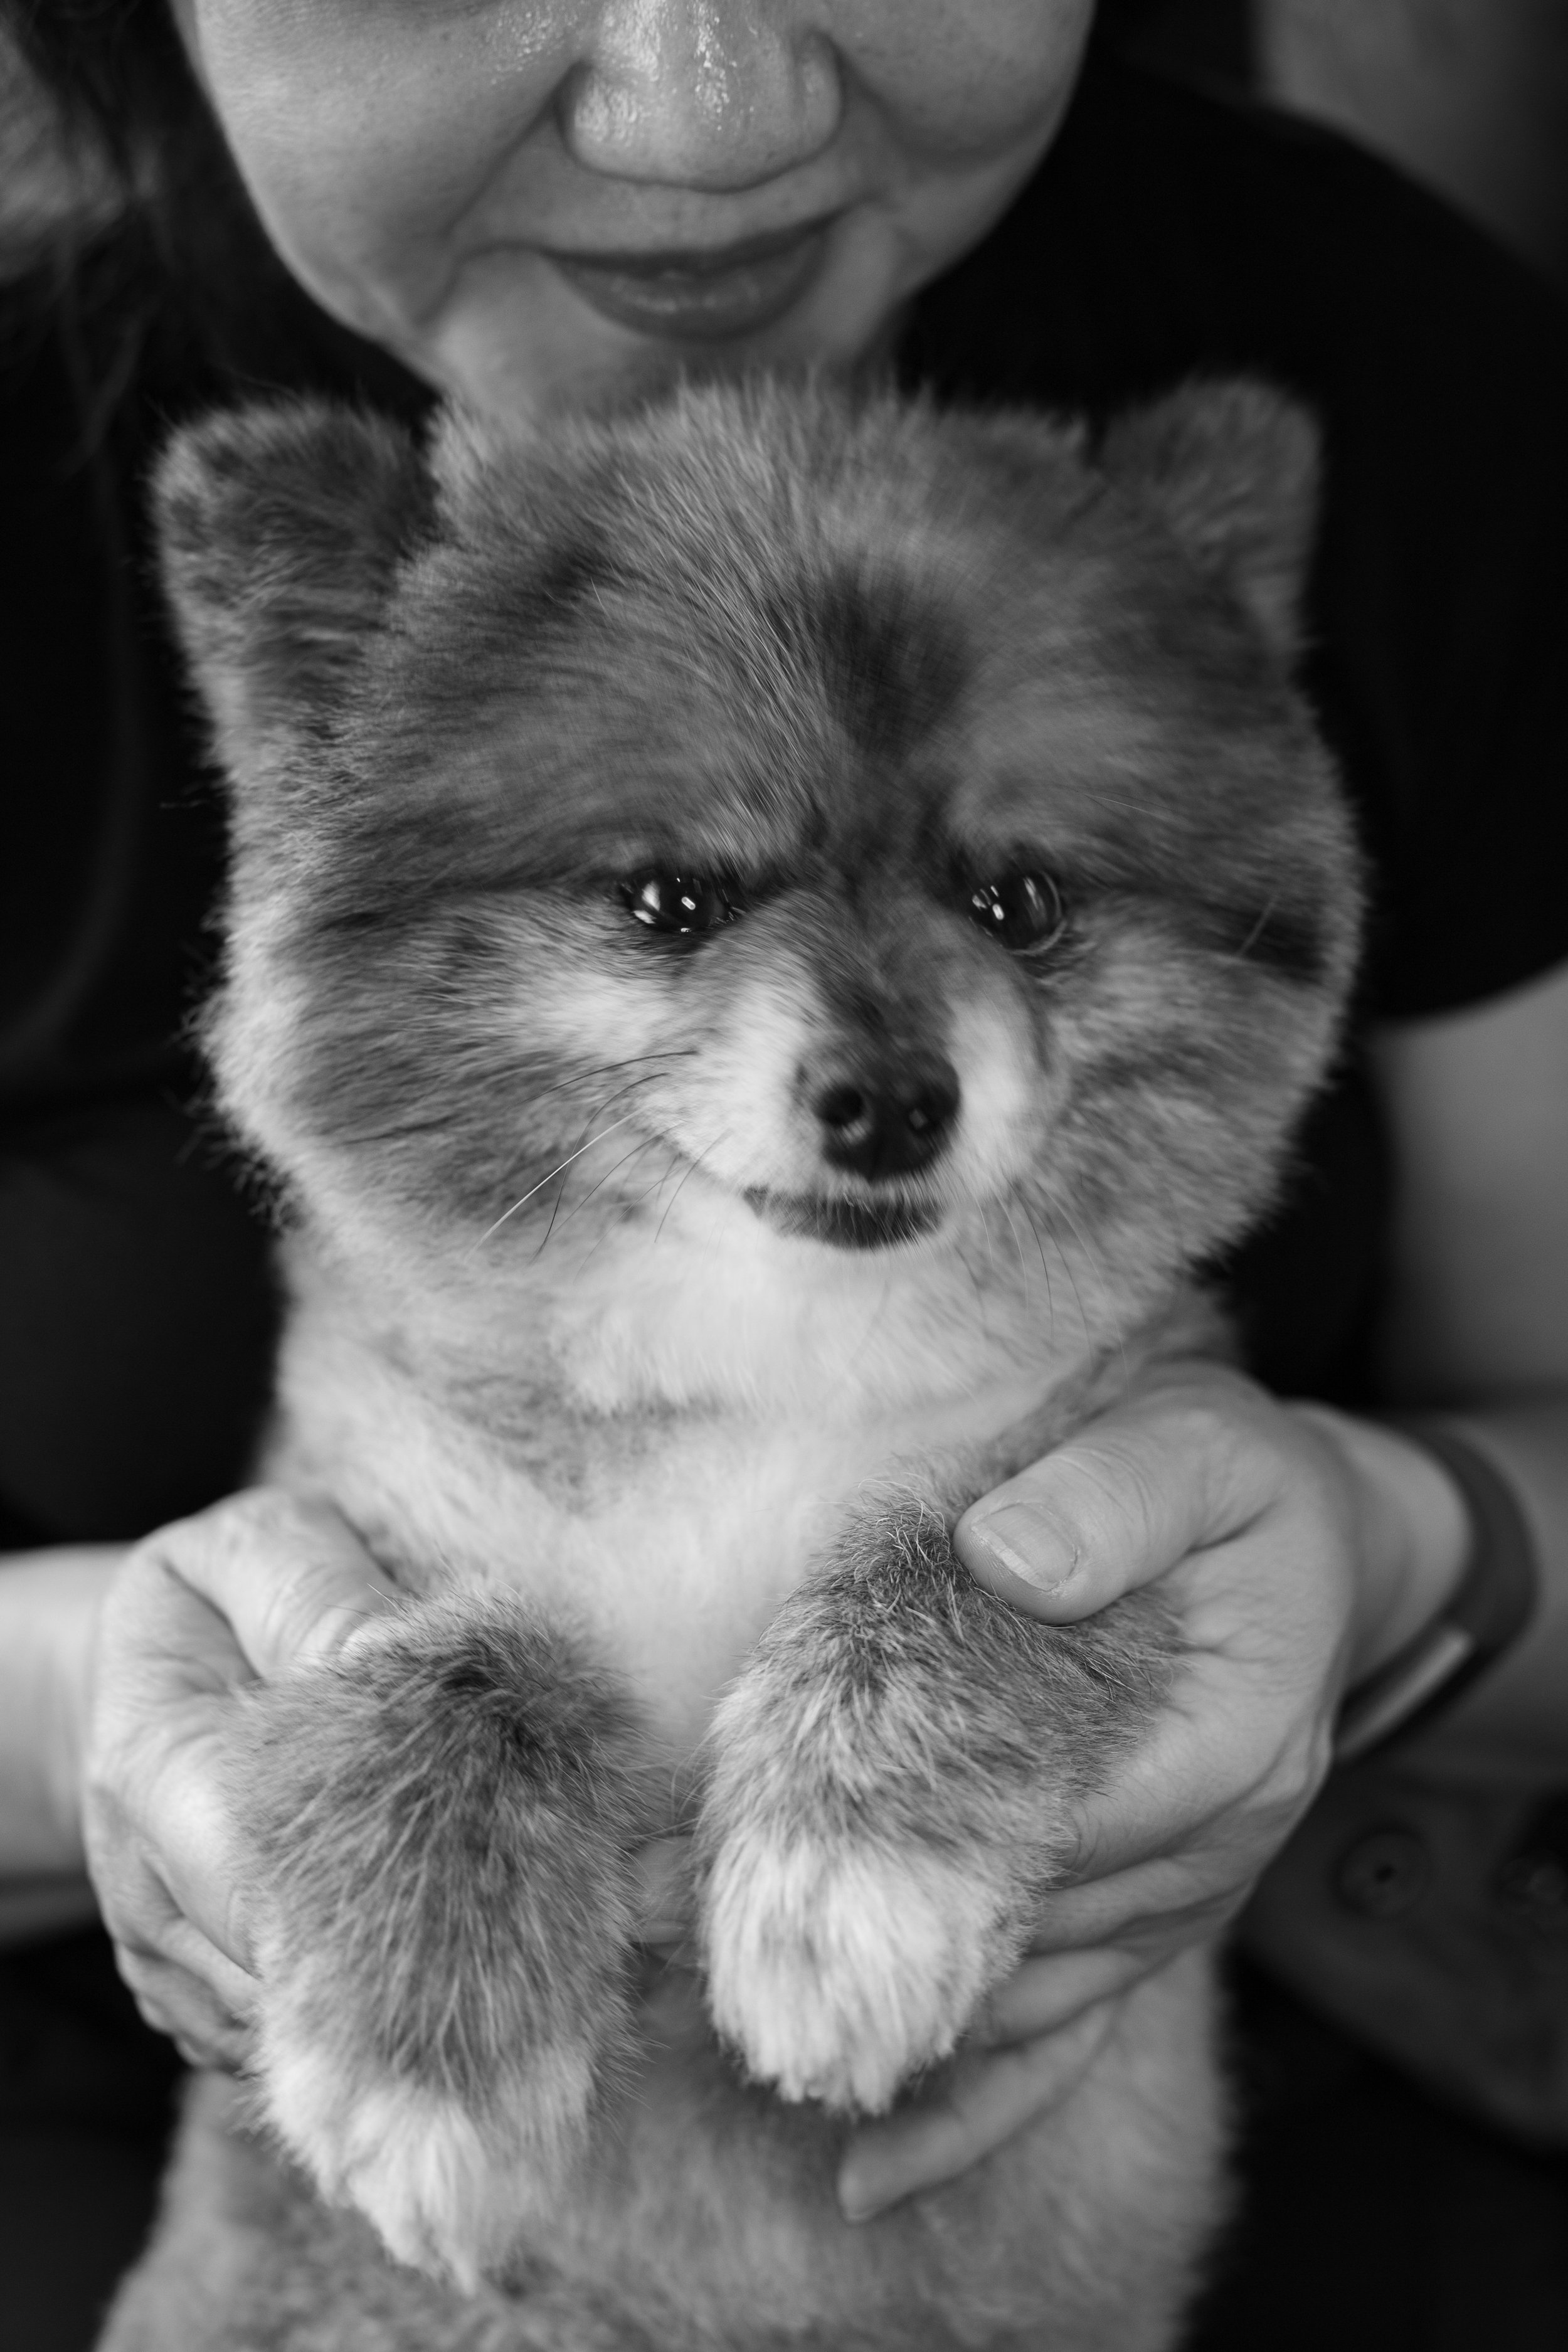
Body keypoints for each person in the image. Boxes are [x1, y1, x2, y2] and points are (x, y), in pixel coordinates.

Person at [2, 3, 1567, 2346]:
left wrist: (1394, 1545)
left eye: (1019, 912)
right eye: (668, 906)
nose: (702, 110)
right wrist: (110, 1717)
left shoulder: (1391, 362)